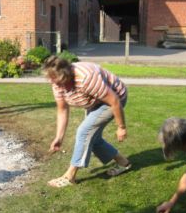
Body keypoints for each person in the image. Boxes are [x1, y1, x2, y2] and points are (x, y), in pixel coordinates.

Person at [43, 56, 131, 188]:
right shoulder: (56, 82)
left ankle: (70, 176)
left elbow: (114, 101)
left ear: (67, 75)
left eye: (61, 83)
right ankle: (123, 163)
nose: (58, 86)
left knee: (84, 132)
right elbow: (62, 110)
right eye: (54, 82)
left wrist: (121, 127)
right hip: (95, 102)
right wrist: (59, 138)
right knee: (93, 138)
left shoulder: (85, 78)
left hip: (114, 99)